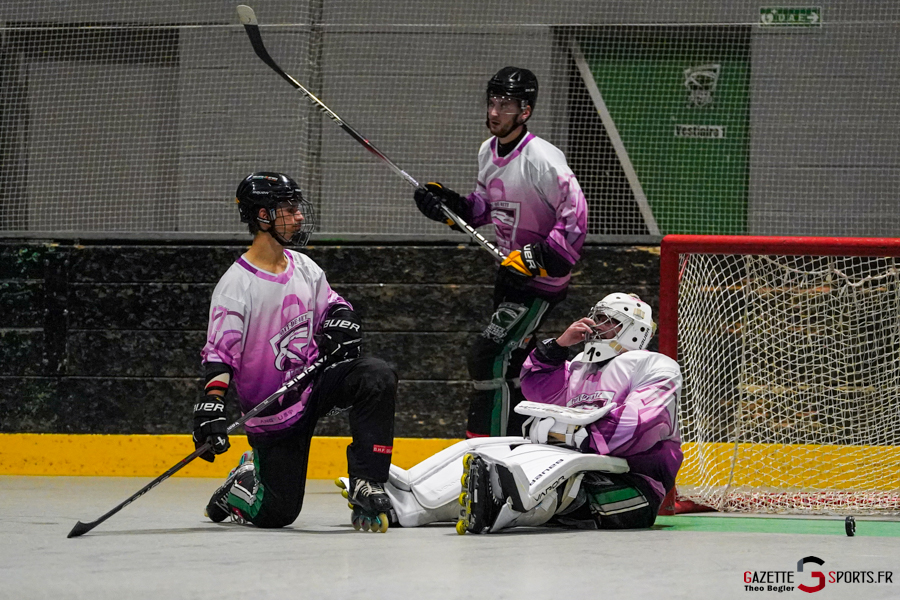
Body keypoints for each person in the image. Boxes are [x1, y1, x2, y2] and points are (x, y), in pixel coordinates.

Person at [357, 292, 682, 534]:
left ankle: (499, 504)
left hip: (633, 486)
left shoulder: (655, 366)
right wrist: (558, 347)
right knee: (483, 450)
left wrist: (565, 432)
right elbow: (536, 387)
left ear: (634, 330)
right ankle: (409, 502)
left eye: (608, 320)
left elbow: (639, 425)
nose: (596, 326)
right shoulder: (581, 367)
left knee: (562, 482)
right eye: (596, 317)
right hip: (580, 460)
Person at [193, 172, 397, 532]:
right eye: (289, 209)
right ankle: (242, 483)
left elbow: (333, 304)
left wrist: (342, 321)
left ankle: (367, 480)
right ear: (263, 216)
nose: (299, 216)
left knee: (375, 375)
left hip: (313, 385)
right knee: (278, 515)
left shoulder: (305, 267)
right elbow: (220, 355)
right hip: (273, 411)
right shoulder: (236, 286)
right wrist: (212, 404)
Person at [413, 66, 588, 439]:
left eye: (506, 105)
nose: (494, 112)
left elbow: (576, 218)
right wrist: (450, 206)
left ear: (525, 111)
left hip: (540, 283)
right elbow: (486, 207)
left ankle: (487, 446)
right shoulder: (487, 151)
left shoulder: (543, 158)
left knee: (489, 356)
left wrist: (536, 257)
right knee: (516, 363)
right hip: (509, 275)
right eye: (492, 101)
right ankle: (522, 440)